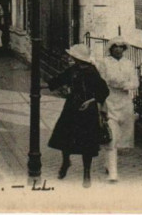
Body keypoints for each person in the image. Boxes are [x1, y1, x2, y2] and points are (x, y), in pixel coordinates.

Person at [47, 44, 110, 188]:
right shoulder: (73, 69)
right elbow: (60, 79)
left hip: (87, 111)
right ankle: (65, 162)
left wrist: (91, 101)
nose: (71, 58)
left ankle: (86, 173)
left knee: (86, 143)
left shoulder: (92, 72)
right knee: (65, 137)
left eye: (73, 56)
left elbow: (103, 91)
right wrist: (45, 85)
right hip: (71, 108)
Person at [94, 36, 139, 182]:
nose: (118, 49)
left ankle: (109, 163)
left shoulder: (129, 63)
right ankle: (113, 173)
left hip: (125, 102)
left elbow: (134, 82)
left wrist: (127, 85)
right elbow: (102, 81)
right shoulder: (104, 62)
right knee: (111, 136)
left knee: (120, 138)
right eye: (116, 46)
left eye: (121, 46)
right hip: (110, 101)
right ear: (111, 48)